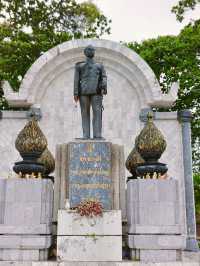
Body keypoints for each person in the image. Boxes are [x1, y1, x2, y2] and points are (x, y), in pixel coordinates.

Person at [74, 45, 107, 139]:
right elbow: (76, 80)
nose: (91, 51)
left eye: (92, 49)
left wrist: (104, 86)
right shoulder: (79, 66)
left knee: (97, 113)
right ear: (85, 52)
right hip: (83, 92)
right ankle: (86, 135)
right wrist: (75, 93)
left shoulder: (99, 65)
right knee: (84, 113)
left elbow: (104, 77)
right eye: (89, 49)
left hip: (96, 92)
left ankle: (97, 134)